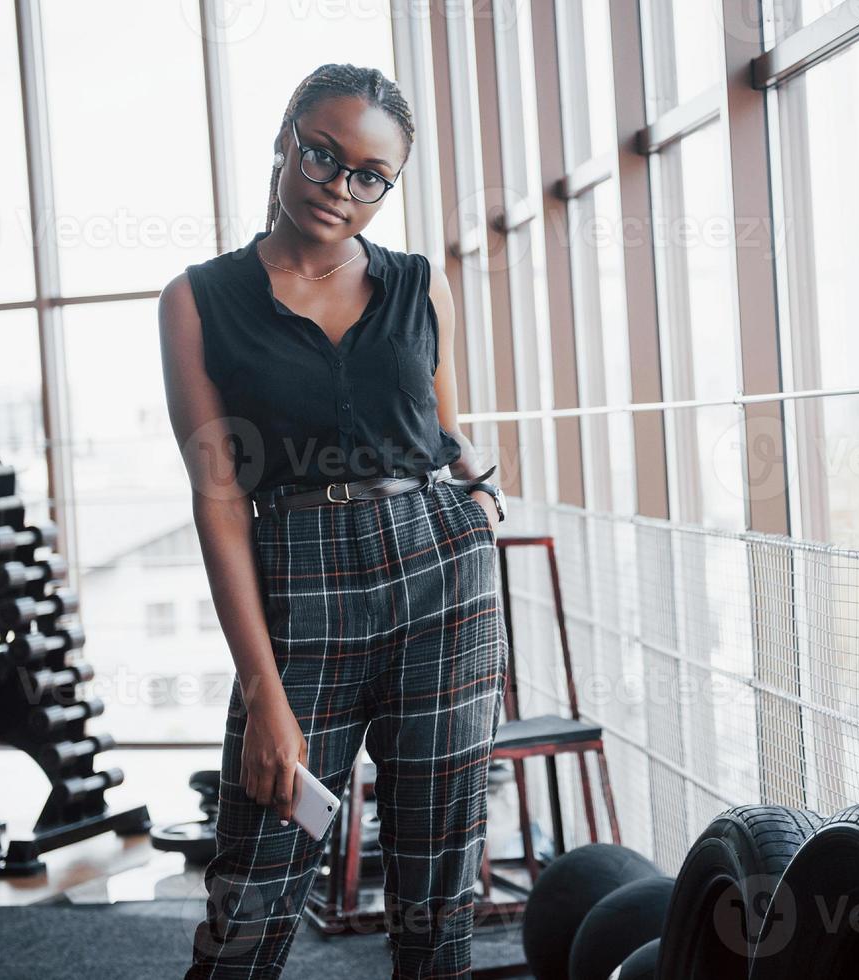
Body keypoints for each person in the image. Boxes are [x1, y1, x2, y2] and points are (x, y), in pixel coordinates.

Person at [158, 63, 509, 979]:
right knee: (252, 894)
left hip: (440, 577)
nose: (338, 188)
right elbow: (218, 497)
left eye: (368, 176)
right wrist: (262, 694)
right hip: (297, 585)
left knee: (439, 890)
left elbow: (441, 428)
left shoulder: (419, 285)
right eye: (322, 155)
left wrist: (480, 495)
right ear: (285, 141)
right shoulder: (197, 300)